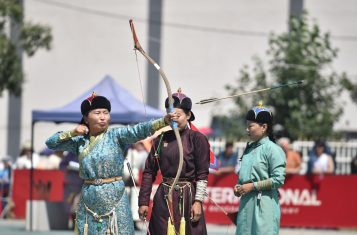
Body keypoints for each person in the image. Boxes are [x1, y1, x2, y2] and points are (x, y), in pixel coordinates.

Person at [45, 92, 172, 235]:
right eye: (97, 113)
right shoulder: (79, 142)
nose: (103, 117)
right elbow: (51, 143)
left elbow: (139, 130)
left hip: (115, 198)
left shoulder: (116, 135)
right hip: (89, 199)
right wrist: (72, 133)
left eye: (106, 113)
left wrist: (163, 121)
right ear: (86, 118)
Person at [138, 90, 210, 234]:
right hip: (164, 197)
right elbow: (149, 172)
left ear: (188, 115)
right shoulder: (160, 139)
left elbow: (202, 174)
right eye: (171, 115)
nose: (174, 118)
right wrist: (144, 202)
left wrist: (198, 202)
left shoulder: (197, 139)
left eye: (178, 115)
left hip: (188, 198)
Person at [233, 103, 286, 235]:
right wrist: (239, 187)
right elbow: (244, 177)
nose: (247, 129)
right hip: (246, 204)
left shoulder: (273, 149)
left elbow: (278, 179)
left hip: (264, 204)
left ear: (264, 127)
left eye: (250, 126)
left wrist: (252, 186)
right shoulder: (249, 149)